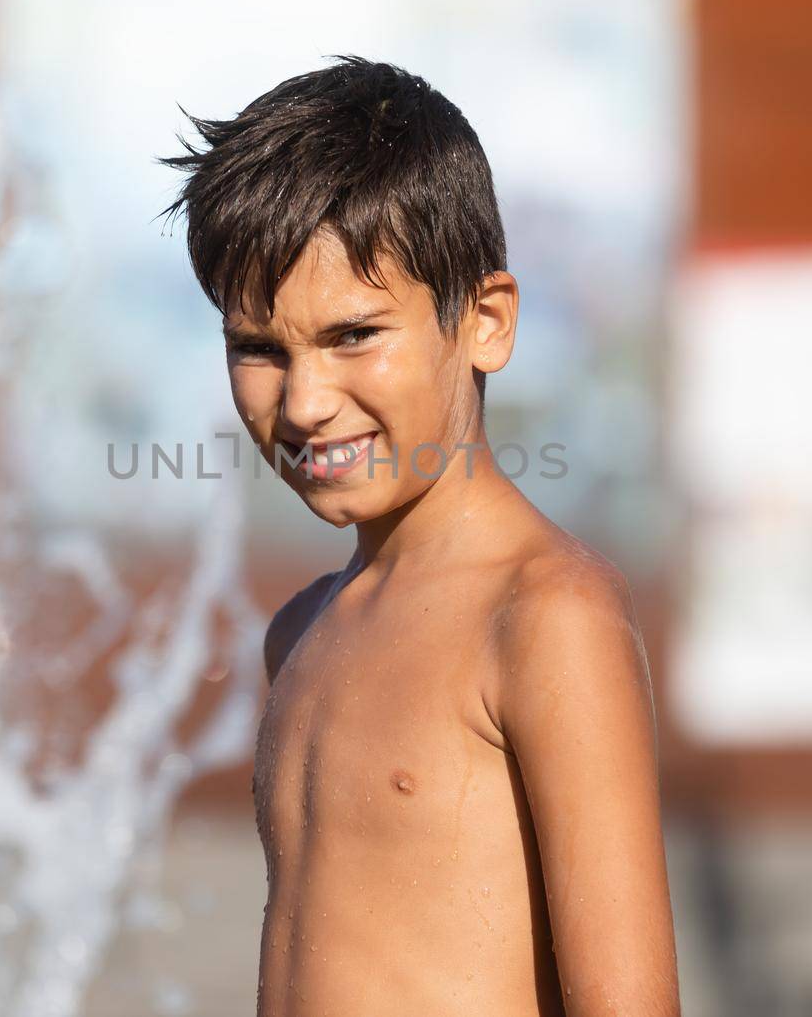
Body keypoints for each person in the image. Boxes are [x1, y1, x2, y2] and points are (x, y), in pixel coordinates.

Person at [158, 56, 681, 1016]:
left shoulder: (544, 615)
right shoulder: (302, 632)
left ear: (484, 322)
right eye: (259, 349)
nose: (307, 402)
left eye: (354, 336)